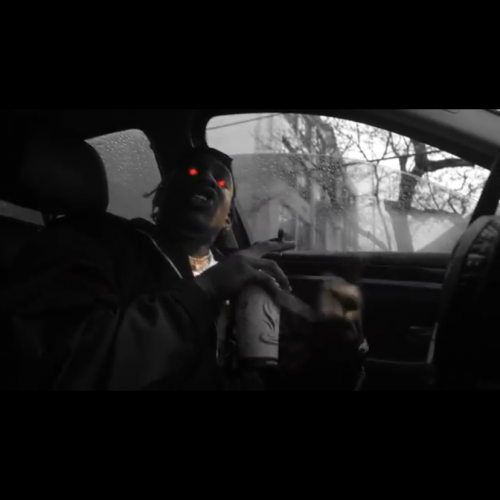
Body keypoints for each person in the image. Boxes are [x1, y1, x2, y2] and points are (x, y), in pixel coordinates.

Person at [8, 144, 365, 391]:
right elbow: (67, 365)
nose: (208, 179)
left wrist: (334, 347)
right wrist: (206, 291)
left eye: (222, 182)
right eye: (193, 171)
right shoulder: (93, 239)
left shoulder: (246, 280)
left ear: (228, 218)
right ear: (161, 194)